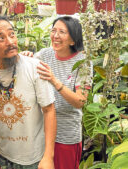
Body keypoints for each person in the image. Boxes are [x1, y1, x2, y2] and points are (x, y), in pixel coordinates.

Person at [0, 15, 57, 169]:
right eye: (1, 38)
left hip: (34, 158)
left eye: (12, 34)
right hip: (2, 155)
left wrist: (48, 156)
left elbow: (49, 110)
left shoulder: (35, 68)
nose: (10, 41)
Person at [22, 16, 93, 169]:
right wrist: (26, 57)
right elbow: (24, 68)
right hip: (42, 133)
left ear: (73, 40)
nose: (55, 35)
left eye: (62, 32)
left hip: (66, 136)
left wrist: (55, 81)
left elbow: (80, 101)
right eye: (54, 30)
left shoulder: (83, 62)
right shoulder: (45, 54)